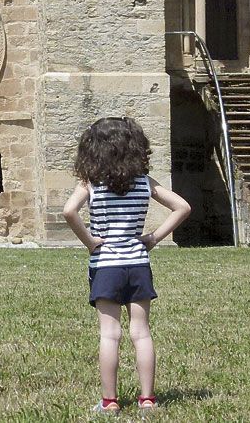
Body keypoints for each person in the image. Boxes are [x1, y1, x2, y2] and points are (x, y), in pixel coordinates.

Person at [62, 116, 192, 414]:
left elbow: (69, 211)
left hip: (106, 264)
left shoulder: (91, 183)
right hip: (137, 263)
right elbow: (182, 206)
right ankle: (147, 399)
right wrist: (154, 238)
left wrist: (90, 242)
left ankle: (109, 402)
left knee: (110, 334)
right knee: (141, 332)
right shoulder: (144, 182)